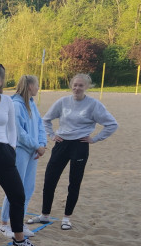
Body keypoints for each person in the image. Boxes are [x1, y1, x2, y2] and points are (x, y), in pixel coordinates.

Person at [27, 73, 118, 230]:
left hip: (80, 145)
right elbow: (46, 119)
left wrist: (95, 139)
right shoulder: (63, 102)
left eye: (81, 85)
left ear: (87, 87)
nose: (77, 88)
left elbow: (112, 124)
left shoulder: (94, 105)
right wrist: (52, 135)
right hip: (62, 144)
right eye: (75, 85)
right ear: (71, 86)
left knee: (74, 182)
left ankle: (67, 218)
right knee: (49, 179)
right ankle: (45, 215)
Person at [0, 64, 42, 246]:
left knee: (17, 194)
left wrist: (11, 148)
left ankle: (18, 238)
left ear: (1, 83)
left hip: (4, 151)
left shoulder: (7, 102)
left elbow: (12, 128)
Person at [0, 75, 46, 237]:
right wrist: (36, 145)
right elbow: (19, 132)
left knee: (28, 188)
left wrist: (42, 144)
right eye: (37, 85)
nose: (38, 88)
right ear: (30, 86)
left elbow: (40, 125)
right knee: (15, 189)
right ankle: (5, 223)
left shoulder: (32, 104)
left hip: (32, 151)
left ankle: (18, 222)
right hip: (20, 151)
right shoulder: (17, 105)